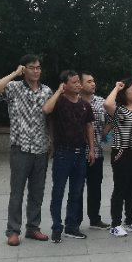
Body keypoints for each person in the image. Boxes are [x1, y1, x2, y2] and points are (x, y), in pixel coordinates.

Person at [0, 54, 54, 246]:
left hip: (41, 148)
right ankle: (13, 231)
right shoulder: (14, 87)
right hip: (20, 147)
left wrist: (52, 142)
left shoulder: (47, 91)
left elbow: (50, 117)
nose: (36, 71)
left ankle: (33, 228)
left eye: (38, 67)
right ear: (24, 69)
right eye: (32, 67)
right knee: (17, 192)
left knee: (37, 192)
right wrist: (15, 73)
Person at [42, 70, 95, 243]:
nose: (78, 85)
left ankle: (72, 226)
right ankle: (56, 228)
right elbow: (46, 109)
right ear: (64, 85)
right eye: (74, 82)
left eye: (79, 81)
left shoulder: (85, 105)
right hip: (63, 153)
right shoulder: (58, 102)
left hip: (80, 153)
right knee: (58, 192)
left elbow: (89, 127)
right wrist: (58, 91)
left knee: (76, 192)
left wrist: (92, 149)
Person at [104, 79, 132, 237]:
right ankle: (115, 224)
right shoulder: (119, 110)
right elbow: (107, 104)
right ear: (125, 93)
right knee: (120, 188)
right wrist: (117, 87)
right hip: (122, 152)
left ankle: (130, 221)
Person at [80, 71, 111, 230]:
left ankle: (94, 219)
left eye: (93, 81)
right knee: (76, 189)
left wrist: (105, 135)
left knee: (95, 188)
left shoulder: (101, 102)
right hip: (77, 152)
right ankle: (74, 221)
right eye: (89, 81)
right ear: (79, 84)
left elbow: (112, 119)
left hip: (97, 152)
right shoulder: (73, 101)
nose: (93, 84)